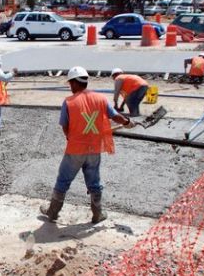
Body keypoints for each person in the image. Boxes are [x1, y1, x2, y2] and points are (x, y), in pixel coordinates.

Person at [40, 66, 135, 224]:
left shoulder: (69, 102)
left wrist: (70, 137)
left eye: (71, 83)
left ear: (76, 83)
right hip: (94, 148)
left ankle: (53, 212)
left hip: (76, 149)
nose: (70, 87)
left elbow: (65, 126)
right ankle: (97, 214)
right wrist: (127, 122)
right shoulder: (101, 98)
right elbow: (115, 116)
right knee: (94, 182)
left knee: (63, 180)